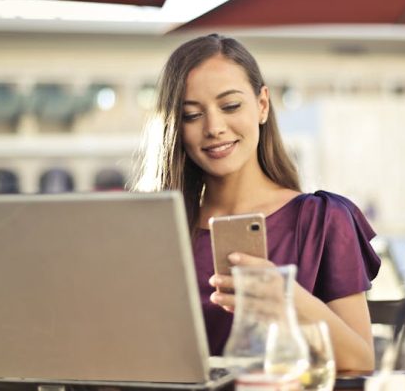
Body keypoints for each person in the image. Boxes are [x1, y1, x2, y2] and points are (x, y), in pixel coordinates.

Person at [136, 34, 380, 372]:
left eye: (230, 106)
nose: (214, 128)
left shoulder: (322, 219)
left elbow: (361, 361)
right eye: (192, 115)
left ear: (262, 105)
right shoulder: (155, 231)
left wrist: (286, 300)